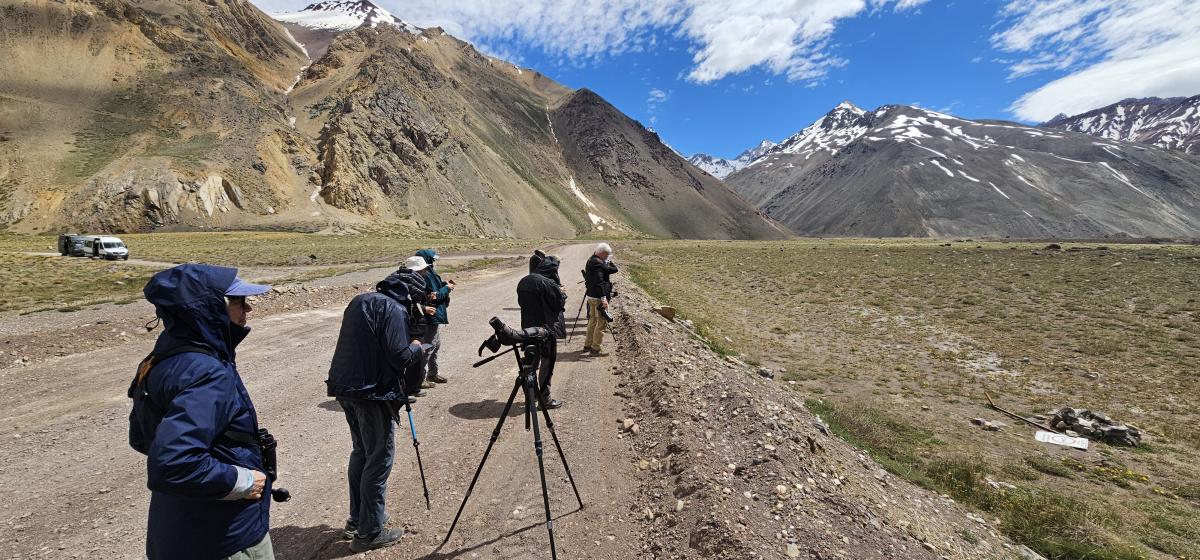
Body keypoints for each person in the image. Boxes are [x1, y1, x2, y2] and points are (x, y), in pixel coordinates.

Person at [128, 264, 274, 560]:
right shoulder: (207, 371)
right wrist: (243, 481)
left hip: (176, 526)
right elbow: (174, 464)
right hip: (223, 535)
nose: (247, 308)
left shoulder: (160, 359)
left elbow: (141, 438)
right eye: (237, 301)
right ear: (210, 308)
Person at [326, 270, 426, 552]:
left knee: (361, 452)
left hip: (344, 387)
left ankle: (358, 518)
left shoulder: (360, 301)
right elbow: (400, 355)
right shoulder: (393, 309)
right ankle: (369, 532)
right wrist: (418, 347)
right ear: (408, 294)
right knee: (379, 457)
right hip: (372, 392)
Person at [516, 253, 567, 409]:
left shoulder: (524, 281)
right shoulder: (549, 283)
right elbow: (558, 306)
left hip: (527, 328)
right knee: (547, 363)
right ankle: (545, 399)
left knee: (530, 362)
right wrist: (562, 293)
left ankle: (530, 396)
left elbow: (521, 303)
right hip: (546, 329)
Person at [415, 249, 454, 385]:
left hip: (434, 314)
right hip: (429, 315)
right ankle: (419, 379)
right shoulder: (425, 275)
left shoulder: (429, 273)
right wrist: (447, 288)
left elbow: (435, 290)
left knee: (435, 345)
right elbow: (434, 296)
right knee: (428, 347)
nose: (434, 262)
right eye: (432, 260)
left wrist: (443, 286)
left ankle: (432, 374)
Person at [583, 242, 619, 354]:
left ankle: (588, 345)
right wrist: (603, 298)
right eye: (607, 255)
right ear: (602, 253)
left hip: (591, 296)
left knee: (593, 320)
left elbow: (612, 269)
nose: (607, 257)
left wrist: (607, 261)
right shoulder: (598, 263)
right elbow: (599, 282)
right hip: (598, 297)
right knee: (601, 322)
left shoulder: (591, 260)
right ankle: (595, 348)